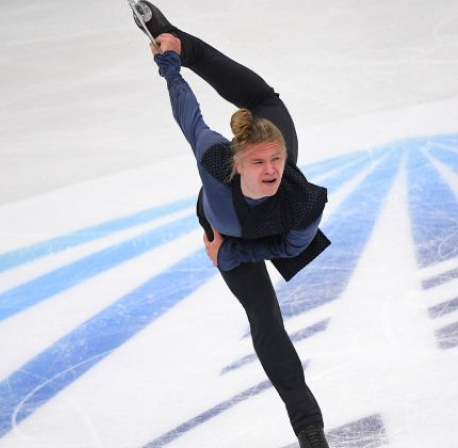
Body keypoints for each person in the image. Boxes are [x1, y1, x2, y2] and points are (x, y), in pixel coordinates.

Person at [133, 2, 331, 447]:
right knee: (264, 318)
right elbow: (189, 115)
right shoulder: (214, 158)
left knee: (266, 102)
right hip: (227, 225)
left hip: (251, 238)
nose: (271, 170)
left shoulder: (303, 202)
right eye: (259, 161)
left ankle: (182, 43)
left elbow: (288, 248)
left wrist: (232, 252)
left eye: (276, 159)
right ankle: (310, 429)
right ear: (237, 164)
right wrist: (171, 67)